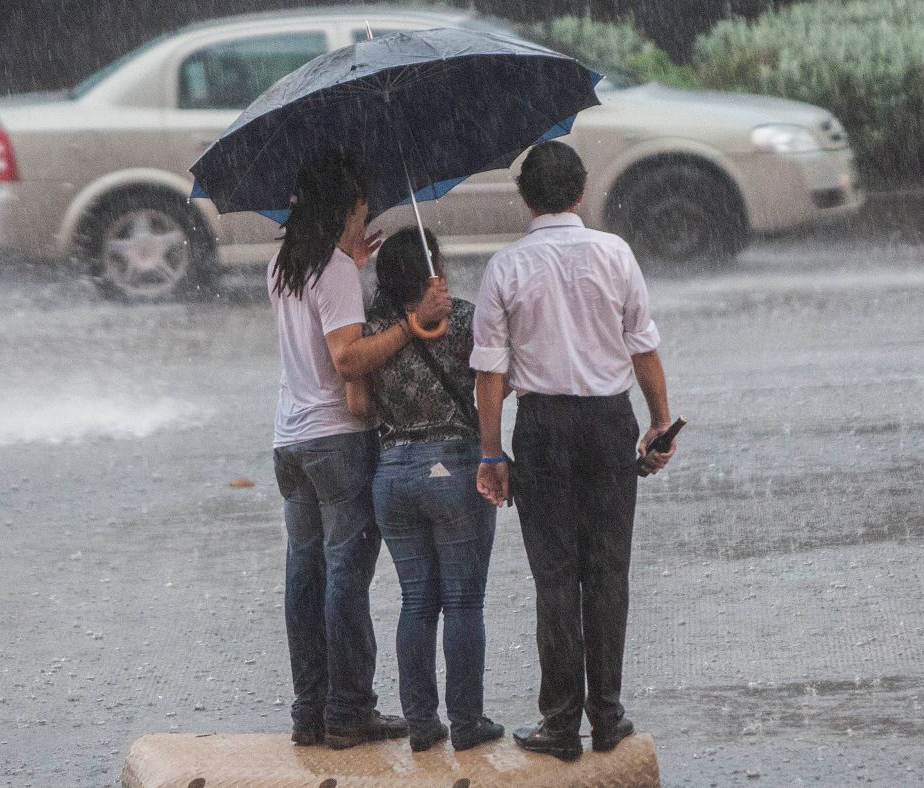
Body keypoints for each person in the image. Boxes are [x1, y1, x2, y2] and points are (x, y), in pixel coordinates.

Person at [470, 140, 677, 761]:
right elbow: (642, 348)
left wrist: (491, 454)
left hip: (543, 428)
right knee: (609, 573)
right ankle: (608, 717)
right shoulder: (615, 253)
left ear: (524, 198)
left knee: (555, 576)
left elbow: (489, 374)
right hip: (610, 422)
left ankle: (560, 723)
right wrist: (659, 420)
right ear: (582, 191)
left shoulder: (504, 268)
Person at [268, 152, 452, 750]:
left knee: (305, 573)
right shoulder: (335, 272)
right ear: (345, 210)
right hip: (336, 441)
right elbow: (347, 359)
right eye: (361, 211)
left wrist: (349, 264)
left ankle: (310, 709)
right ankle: (348, 710)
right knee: (345, 575)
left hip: (290, 440)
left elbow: (316, 330)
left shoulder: (282, 264)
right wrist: (411, 324)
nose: (364, 220)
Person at [344, 227, 504, 753]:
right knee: (462, 601)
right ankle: (467, 722)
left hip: (391, 475)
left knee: (417, 600)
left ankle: (420, 723)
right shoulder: (461, 317)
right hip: (453, 468)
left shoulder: (373, 329)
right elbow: (499, 378)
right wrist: (491, 450)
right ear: (432, 268)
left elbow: (360, 407)